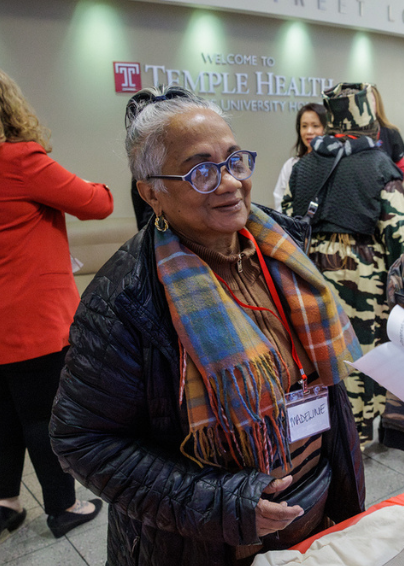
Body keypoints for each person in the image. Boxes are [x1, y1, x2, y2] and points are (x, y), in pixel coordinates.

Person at [49, 86, 365, 565]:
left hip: (317, 507)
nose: (230, 182)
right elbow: (81, 439)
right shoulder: (126, 296)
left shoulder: (283, 248)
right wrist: (219, 503)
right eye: (201, 171)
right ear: (151, 191)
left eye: (235, 161)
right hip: (205, 542)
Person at [0, 69, 112, 538]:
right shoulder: (19, 159)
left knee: (3, 417)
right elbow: (96, 203)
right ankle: (63, 507)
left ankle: (5, 501)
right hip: (31, 319)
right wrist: (90, 182)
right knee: (42, 417)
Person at [282, 82, 404, 446]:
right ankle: (359, 427)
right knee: (362, 352)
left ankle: (330, 425)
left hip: (312, 271)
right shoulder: (379, 166)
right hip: (365, 276)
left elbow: (288, 222)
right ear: (369, 120)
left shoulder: (304, 166)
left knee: (324, 347)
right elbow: (402, 241)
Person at [273, 103, 326, 212]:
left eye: (315, 126)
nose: (309, 132)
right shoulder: (291, 165)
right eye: (304, 126)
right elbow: (280, 202)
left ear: (326, 128)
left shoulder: (335, 164)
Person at [371, 85, 404, 176]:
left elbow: (401, 169)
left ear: (377, 104)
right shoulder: (348, 136)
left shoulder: (392, 132)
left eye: (370, 100)